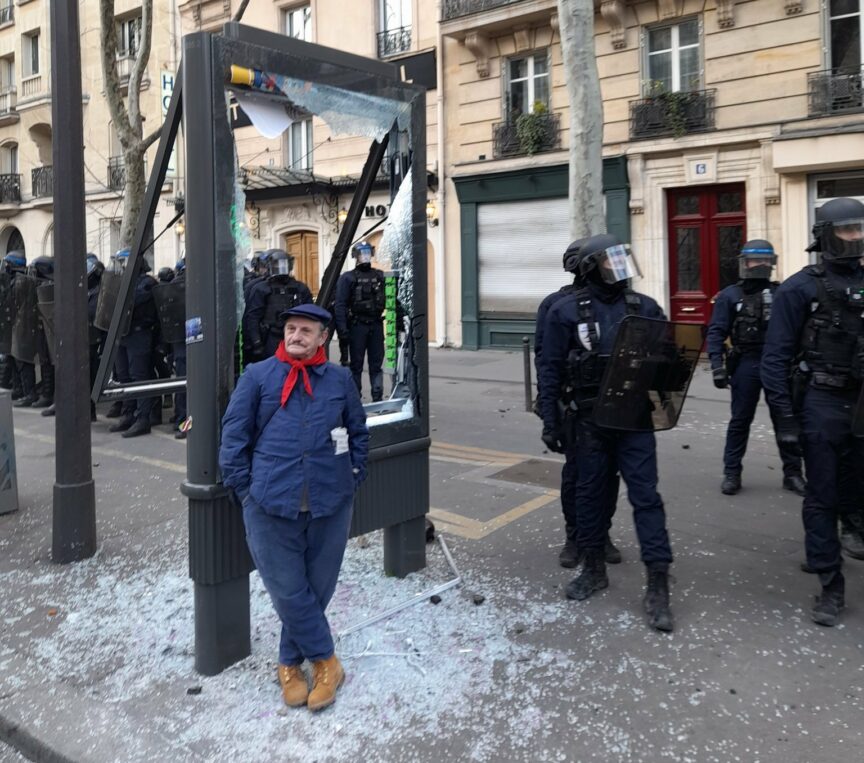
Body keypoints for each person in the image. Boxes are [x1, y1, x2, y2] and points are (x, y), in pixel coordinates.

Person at [219, 303, 368, 712]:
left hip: (330, 502)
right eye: (290, 328)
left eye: (305, 329)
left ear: (323, 338)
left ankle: (288, 662)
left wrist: (353, 475)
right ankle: (326, 661)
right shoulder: (258, 376)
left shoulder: (339, 379)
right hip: (268, 503)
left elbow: (357, 431)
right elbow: (233, 438)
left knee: (317, 588)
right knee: (287, 589)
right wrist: (246, 492)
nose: (295, 335)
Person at [538, 233, 675, 632]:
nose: (618, 268)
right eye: (609, 261)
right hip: (587, 420)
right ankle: (593, 567)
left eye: (622, 259)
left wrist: (663, 399)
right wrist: (550, 419)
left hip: (634, 421)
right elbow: (549, 369)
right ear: (589, 267)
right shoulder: (563, 311)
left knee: (647, 497)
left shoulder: (645, 307)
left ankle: (658, 581)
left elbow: (668, 363)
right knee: (590, 494)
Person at [761, 197, 864, 627]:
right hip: (822, 402)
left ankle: (851, 527)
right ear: (825, 236)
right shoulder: (798, 288)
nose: (856, 237)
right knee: (821, 495)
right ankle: (830, 583)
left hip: (862, 401)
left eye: (860, 229)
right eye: (847, 230)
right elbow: (775, 358)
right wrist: (785, 420)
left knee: (856, 488)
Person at [534, 237, 622, 569]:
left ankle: (602, 532)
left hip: (611, 405)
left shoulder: (614, 301)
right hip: (571, 405)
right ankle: (575, 535)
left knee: (609, 473)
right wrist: (549, 408)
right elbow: (545, 361)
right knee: (577, 474)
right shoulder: (556, 306)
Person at [706, 240, 806, 496]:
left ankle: (793, 474)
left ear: (771, 263)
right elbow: (716, 332)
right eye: (755, 260)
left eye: (765, 260)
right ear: (745, 263)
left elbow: (799, 330)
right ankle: (732, 473)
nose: (760, 265)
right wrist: (717, 365)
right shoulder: (730, 295)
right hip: (746, 363)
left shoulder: (782, 292)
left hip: (778, 364)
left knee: (784, 418)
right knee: (740, 420)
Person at [108, 249, 159, 438]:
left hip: (139, 334)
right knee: (124, 376)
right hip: (124, 334)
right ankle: (128, 414)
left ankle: (142, 418)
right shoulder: (125, 283)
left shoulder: (147, 283)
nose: (122, 267)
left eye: (124, 263)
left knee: (140, 377)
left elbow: (131, 301)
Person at [334, 242, 386, 402]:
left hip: (376, 325)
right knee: (355, 365)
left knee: (376, 364)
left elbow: (390, 299)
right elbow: (340, 304)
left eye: (367, 252)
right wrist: (342, 329)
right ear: (355, 256)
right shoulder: (347, 278)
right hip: (357, 326)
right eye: (361, 253)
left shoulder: (380, 275)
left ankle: (377, 398)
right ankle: (355, 400)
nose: (364, 256)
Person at [243, 249, 313, 361]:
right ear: (269, 266)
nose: (281, 268)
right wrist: (256, 342)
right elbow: (253, 317)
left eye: (284, 264)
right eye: (277, 265)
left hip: (295, 335)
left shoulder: (300, 288)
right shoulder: (261, 288)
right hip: (272, 336)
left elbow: (311, 313)